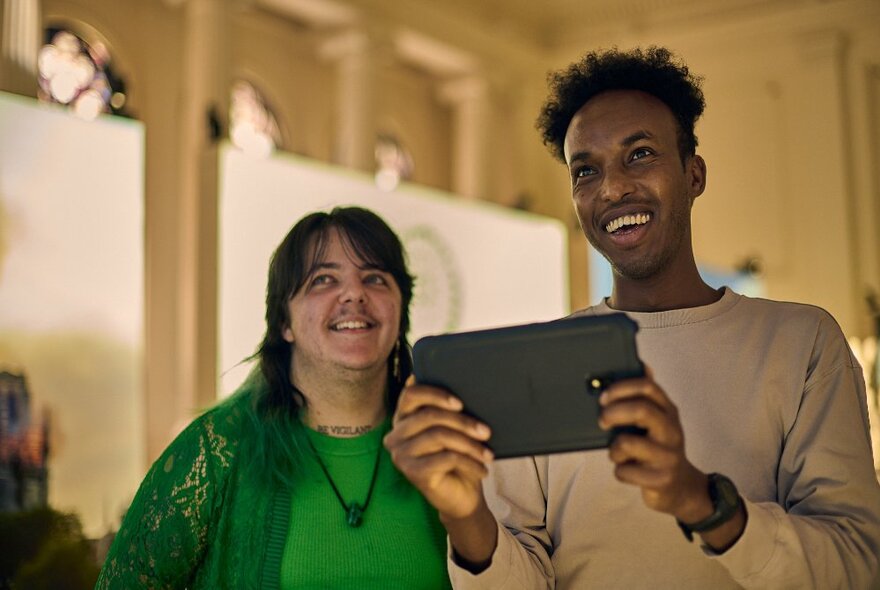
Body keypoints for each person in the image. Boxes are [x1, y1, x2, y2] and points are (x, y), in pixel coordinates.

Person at [384, 47, 880, 588]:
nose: (613, 188)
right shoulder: (542, 361)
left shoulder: (800, 341)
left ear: (694, 174)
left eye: (640, 154)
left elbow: (856, 565)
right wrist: (465, 517)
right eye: (586, 171)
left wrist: (700, 501)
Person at [97, 206, 451, 589]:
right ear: (284, 322)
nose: (354, 294)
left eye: (375, 278)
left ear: (401, 311)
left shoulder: (447, 443)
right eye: (323, 280)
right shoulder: (213, 454)